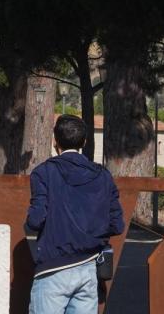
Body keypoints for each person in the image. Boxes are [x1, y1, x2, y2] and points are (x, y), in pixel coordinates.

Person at [27, 114, 124, 314]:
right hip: (89, 269)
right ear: (84, 142)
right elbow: (117, 224)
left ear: (55, 141)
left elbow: (35, 220)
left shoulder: (43, 172)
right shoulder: (103, 175)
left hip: (52, 269)